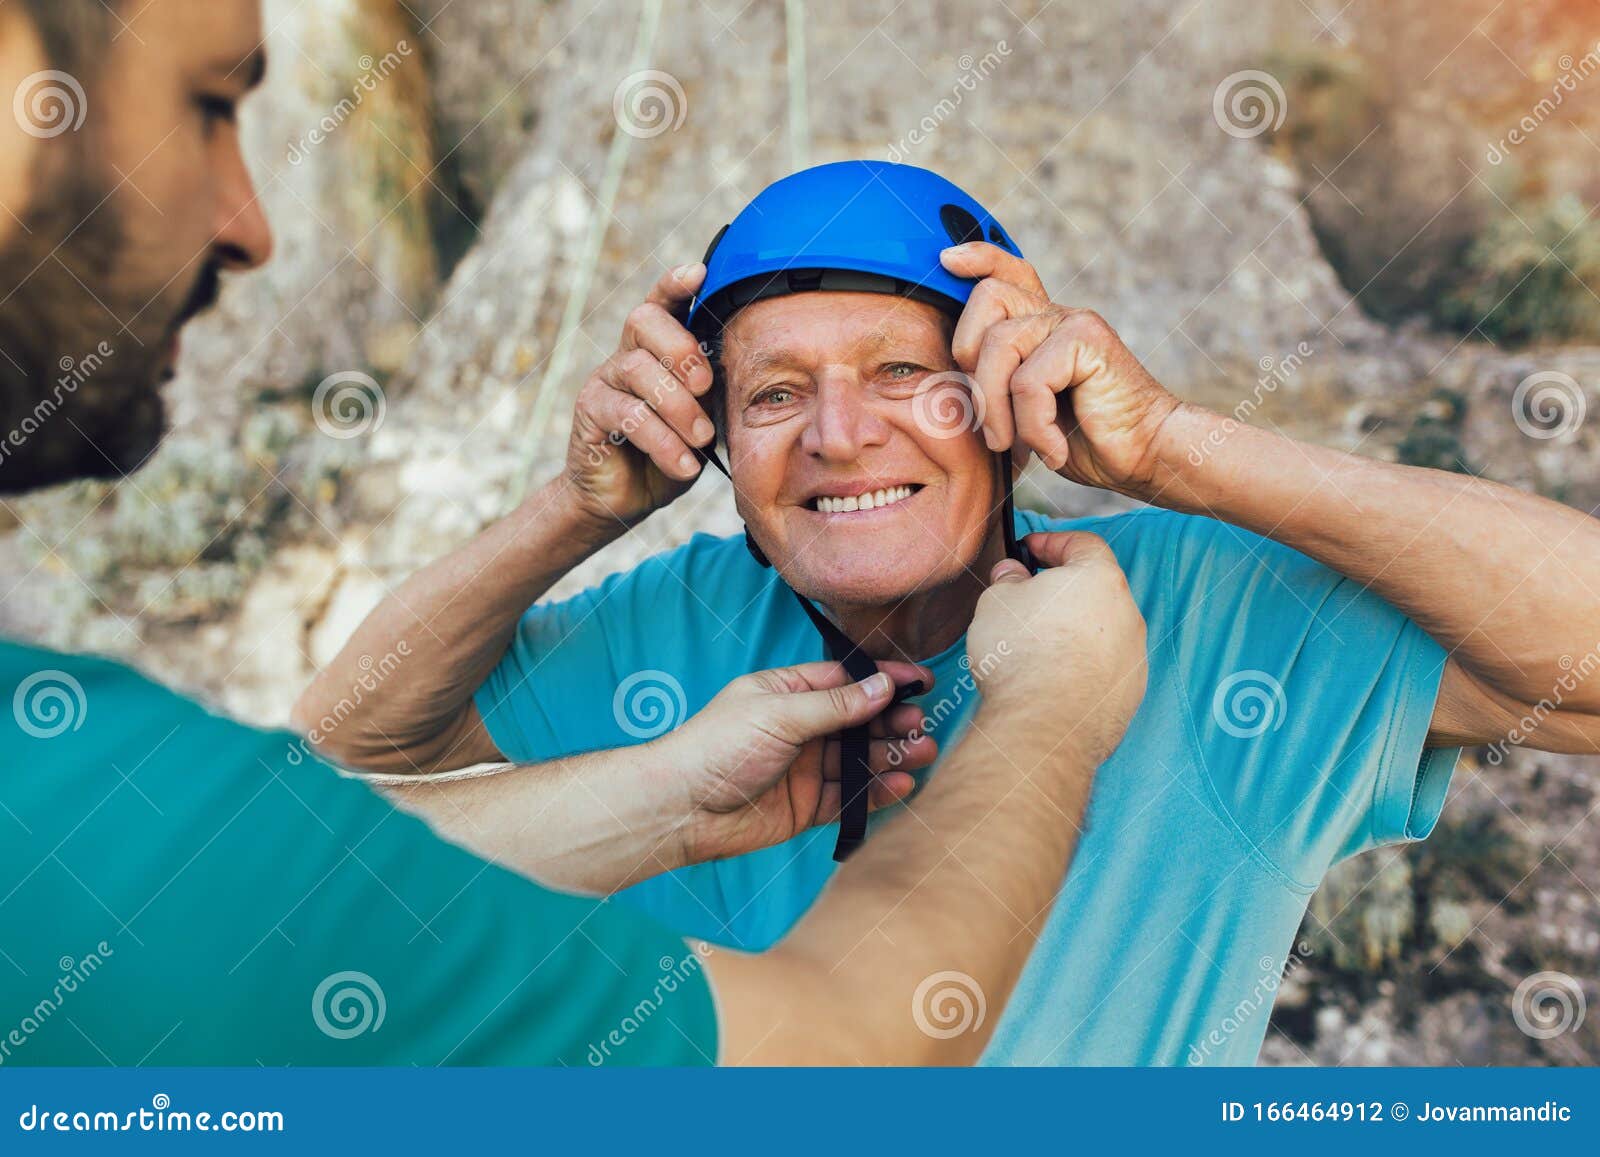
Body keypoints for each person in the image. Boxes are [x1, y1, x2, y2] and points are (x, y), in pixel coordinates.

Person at [0, 0, 1151, 1066]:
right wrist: (1052, 707)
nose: (250, 226)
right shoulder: (87, 806)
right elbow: (841, 1057)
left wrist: (1156, 445)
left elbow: (304, 860)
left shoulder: (80, 801)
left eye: (903, 372)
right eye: (209, 102)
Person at [306, 158, 1600, 1066]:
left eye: (905, 373)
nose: (838, 434)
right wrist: (576, 511)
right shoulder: (672, 621)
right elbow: (346, 751)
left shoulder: (1204, 610)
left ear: (1002, 402)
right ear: (711, 442)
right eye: (772, 395)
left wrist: (1169, 451)